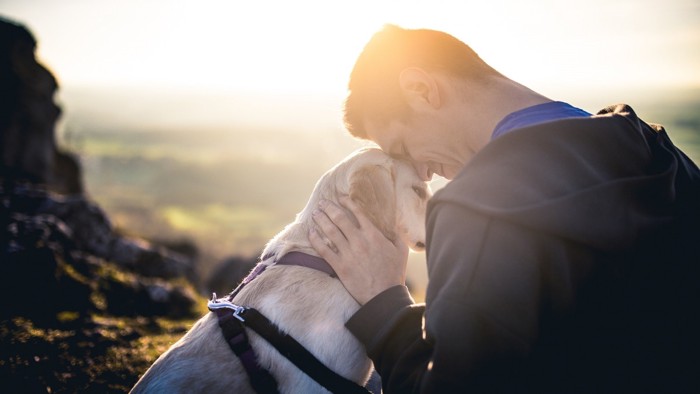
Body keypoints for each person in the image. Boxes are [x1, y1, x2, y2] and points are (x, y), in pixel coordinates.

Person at [308, 24, 700, 393]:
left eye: (405, 149)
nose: (423, 173)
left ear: (421, 89)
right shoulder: (663, 157)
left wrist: (384, 304)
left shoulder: (477, 213)